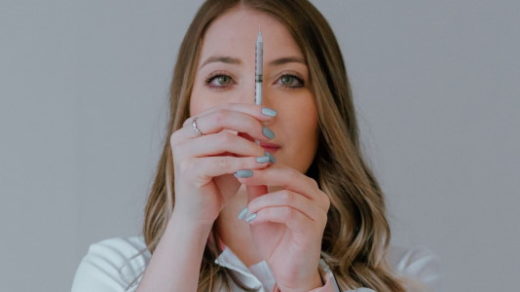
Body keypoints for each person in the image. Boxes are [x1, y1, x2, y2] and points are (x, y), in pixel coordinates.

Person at [71, 0, 441, 291]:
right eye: (220, 78)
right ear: (187, 105)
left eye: (290, 79)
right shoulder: (116, 272)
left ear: (327, 108)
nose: (254, 109)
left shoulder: (402, 277)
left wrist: (304, 285)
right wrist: (189, 224)